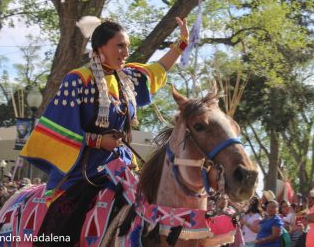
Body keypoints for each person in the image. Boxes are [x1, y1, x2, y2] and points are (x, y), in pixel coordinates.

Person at [19, 15, 189, 244]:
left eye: (127, 46)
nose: (126, 52)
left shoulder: (127, 79)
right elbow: (58, 131)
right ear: (101, 47)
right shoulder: (78, 79)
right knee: (66, 221)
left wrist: (181, 43)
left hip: (122, 167)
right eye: (120, 45)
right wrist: (99, 141)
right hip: (84, 170)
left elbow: (158, 68)